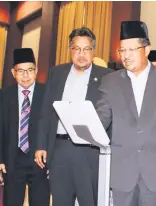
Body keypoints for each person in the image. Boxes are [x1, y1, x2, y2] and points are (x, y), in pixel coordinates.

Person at [95, 20, 156, 206]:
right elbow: (102, 119)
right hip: (123, 172)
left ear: (147, 49)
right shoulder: (111, 82)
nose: (126, 55)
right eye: (122, 50)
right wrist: (83, 124)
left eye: (132, 49)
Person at [34, 27, 113, 206]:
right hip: (60, 149)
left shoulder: (106, 76)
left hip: (89, 151)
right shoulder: (57, 73)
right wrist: (40, 145)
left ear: (93, 51)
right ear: (70, 49)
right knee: (60, 201)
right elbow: (45, 112)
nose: (81, 54)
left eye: (86, 49)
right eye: (77, 48)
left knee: (89, 201)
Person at [0, 48, 49, 206]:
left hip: (40, 160)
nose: (26, 75)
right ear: (13, 72)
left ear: (36, 71)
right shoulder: (4, 95)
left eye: (30, 70)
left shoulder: (46, 93)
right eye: (21, 71)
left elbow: (52, 128)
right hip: (13, 159)